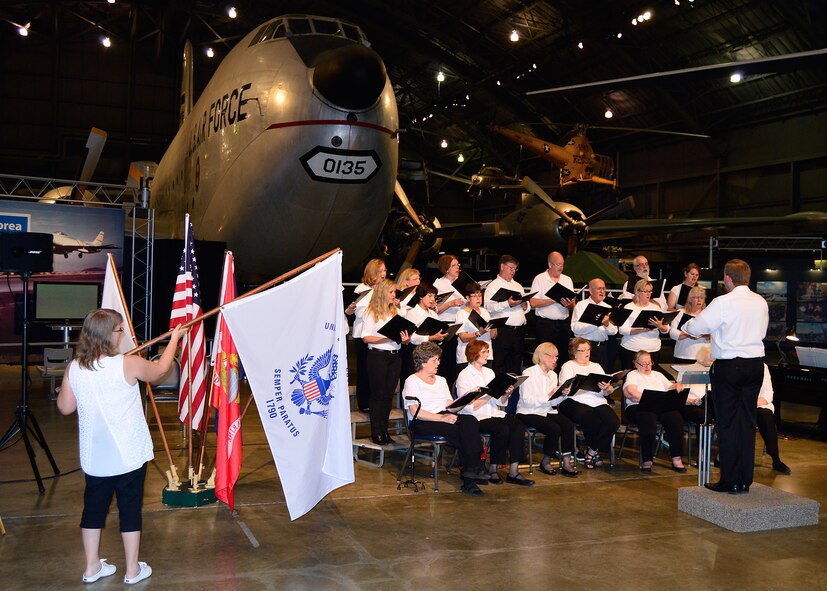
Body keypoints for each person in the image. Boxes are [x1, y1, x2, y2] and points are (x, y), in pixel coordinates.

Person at [57, 309, 185, 585]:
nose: (122, 334)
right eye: (119, 329)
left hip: (95, 459)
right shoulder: (128, 364)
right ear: (107, 334)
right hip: (127, 456)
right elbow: (161, 370)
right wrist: (175, 339)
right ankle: (132, 570)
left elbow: (65, 407)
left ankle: (92, 567)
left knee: (93, 510)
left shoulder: (75, 367)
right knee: (129, 510)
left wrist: (75, 383)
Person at [683, 259, 769, 494]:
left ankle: (729, 480)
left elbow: (696, 327)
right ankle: (744, 479)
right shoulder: (760, 301)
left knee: (728, 423)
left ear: (728, 279)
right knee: (748, 422)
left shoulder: (723, 302)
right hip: (755, 365)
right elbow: (761, 332)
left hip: (730, 367)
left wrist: (688, 325)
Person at [402, 342, 491, 496]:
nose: (438, 363)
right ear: (423, 362)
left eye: (438, 359)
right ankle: (473, 473)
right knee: (460, 432)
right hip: (423, 421)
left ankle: (472, 470)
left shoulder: (441, 380)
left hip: (443, 415)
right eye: (435, 360)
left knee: (470, 421)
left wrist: (466, 399)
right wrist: (442, 418)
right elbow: (415, 411)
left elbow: (451, 406)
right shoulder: (412, 380)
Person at [455, 340, 534, 485]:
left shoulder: (489, 372)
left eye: (487, 351)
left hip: (493, 413)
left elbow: (499, 402)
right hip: (476, 417)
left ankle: (514, 471)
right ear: (474, 354)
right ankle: (493, 468)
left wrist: (506, 394)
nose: (487, 354)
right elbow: (468, 406)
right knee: (501, 429)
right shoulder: (464, 375)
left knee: (517, 425)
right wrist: (490, 395)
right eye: (484, 352)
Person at [517, 342, 579, 477]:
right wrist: (549, 395)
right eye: (554, 357)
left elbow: (554, 402)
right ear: (545, 356)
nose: (556, 360)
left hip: (546, 410)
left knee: (567, 425)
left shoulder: (552, 375)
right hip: (528, 412)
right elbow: (527, 401)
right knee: (554, 428)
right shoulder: (529, 373)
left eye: (557, 357)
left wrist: (562, 394)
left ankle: (567, 462)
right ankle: (546, 461)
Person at [361, 279, 411, 445]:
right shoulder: (371, 312)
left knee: (388, 395)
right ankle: (377, 432)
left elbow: (401, 339)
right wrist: (387, 337)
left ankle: (385, 431)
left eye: (394, 292)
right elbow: (366, 337)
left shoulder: (395, 311)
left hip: (395, 356)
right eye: (391, 292)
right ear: (382, 293)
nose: (394, 295)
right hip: (378, 356)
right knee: (378, 394)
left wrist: (405, 339)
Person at [557, 338, 620, 469]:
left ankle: (591, 452)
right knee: (592, 420)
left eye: (588, 349)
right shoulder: (568, 366)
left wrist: (607, 388)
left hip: (596, 400)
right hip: (574, 401)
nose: (587, 352)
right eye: (583, 350)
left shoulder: (596, 366)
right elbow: (565, 390)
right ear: (574, 352)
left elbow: (607, 392)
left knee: (613, 421)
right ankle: (594, 454)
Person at [622, 350, 688, 473]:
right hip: (639, 406)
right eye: (643, 364)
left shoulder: (658, 375)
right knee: (648, 420)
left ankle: (676, 458)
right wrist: (649, 398)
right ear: (635, 364)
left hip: (660, 406)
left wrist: (677, 385)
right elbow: (631, 392)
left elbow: (670, 387)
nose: (647, 366)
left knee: (675, 418)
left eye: (649, 363)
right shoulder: (633, 375)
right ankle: (647, 459)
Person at [350, 258, 387, 412]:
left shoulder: (382, 289)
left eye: (385, 270)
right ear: (373, 272)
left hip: (378, 334)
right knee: (365, 369)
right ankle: (364, 402)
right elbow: (360, 313)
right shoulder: (362, 289)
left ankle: (375, 400)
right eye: (381, 271)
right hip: (363, 334)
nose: (384, 274)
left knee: (376, 370)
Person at [484, 254, 530, 376]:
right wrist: (507, 304)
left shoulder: (518, 285)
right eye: (511, 268)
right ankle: (499, 392)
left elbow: (525, 307)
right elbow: (489, 307)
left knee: (516, 362)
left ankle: (513, 392)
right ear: (502, 266)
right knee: (500, 363)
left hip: (519, 330)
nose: (513, 271)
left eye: (515, 269)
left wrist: (526, 306)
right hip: (503, 330)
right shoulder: (493, 286)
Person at [529, 251, 576, 364]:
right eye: (558, 264)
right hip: (545, 324)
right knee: (544, 354)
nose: (561, 267)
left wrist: (568, 304)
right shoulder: (539, 279)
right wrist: (553, 299)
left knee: (562, 355)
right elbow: (533, 302)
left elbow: (573, 305)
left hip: (563, 324)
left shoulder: (567, 279)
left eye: (562, 264)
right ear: (550, 264)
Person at [400, 283, 448, 386]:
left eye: (434, 296)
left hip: (431, 353)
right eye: (429, 296)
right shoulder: (413, 313)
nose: (432, 299)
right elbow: (412, 337)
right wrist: (431, 337)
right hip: (416, 353)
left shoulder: (433, 314)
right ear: (421, 296)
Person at [618, 279, 670, 370]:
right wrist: (641, 330)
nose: (648, 294)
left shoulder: (656, 308)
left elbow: (666, 329)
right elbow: (622, 330)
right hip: (631, 349)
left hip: (652, 349)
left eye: (650, 291)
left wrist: (660, 326)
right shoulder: (628, 307)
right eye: (645, 291)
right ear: (637, 292)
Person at [432, 254, 466, 385]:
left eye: (458, 265)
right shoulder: (439, 284)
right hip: (447, 324)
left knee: (460, 360)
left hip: (462, 324)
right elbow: (435, 309)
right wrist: (450, 304)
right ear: (446, 269)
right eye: (453, 265)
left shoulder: (463, 282)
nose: (457, 267)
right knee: (447, 360)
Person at [571, 278, 618, 370]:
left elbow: (614, 331)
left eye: (604, 289)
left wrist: (607, 324)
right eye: (599, 289)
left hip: (602, 348)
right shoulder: (581, 305)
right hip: (584, 348)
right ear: (590, 291)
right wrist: (596, 324)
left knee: (601, 378)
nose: (602, 291)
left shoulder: (607, 307)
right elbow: (575, 328)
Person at [455, 282, 497, 373]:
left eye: (480, 295)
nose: (478, 298)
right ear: (467, 298)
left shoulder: (485, 312)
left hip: (486, 355)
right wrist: (479, 333)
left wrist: (495, 326)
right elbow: (463, 338)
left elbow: (493, 336)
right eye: (474, 296)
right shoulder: (461, 314)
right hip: (468, 357)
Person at [669, 285, 710, 364]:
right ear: (690, 299)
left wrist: (706, 335)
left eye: (702, 298)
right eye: (696, 297)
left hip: (702, 357)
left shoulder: (707, 314)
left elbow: (714, 333)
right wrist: (689, 334)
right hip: (683, 354)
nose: (699, 300)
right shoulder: (680, 312)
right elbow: (672, 333)